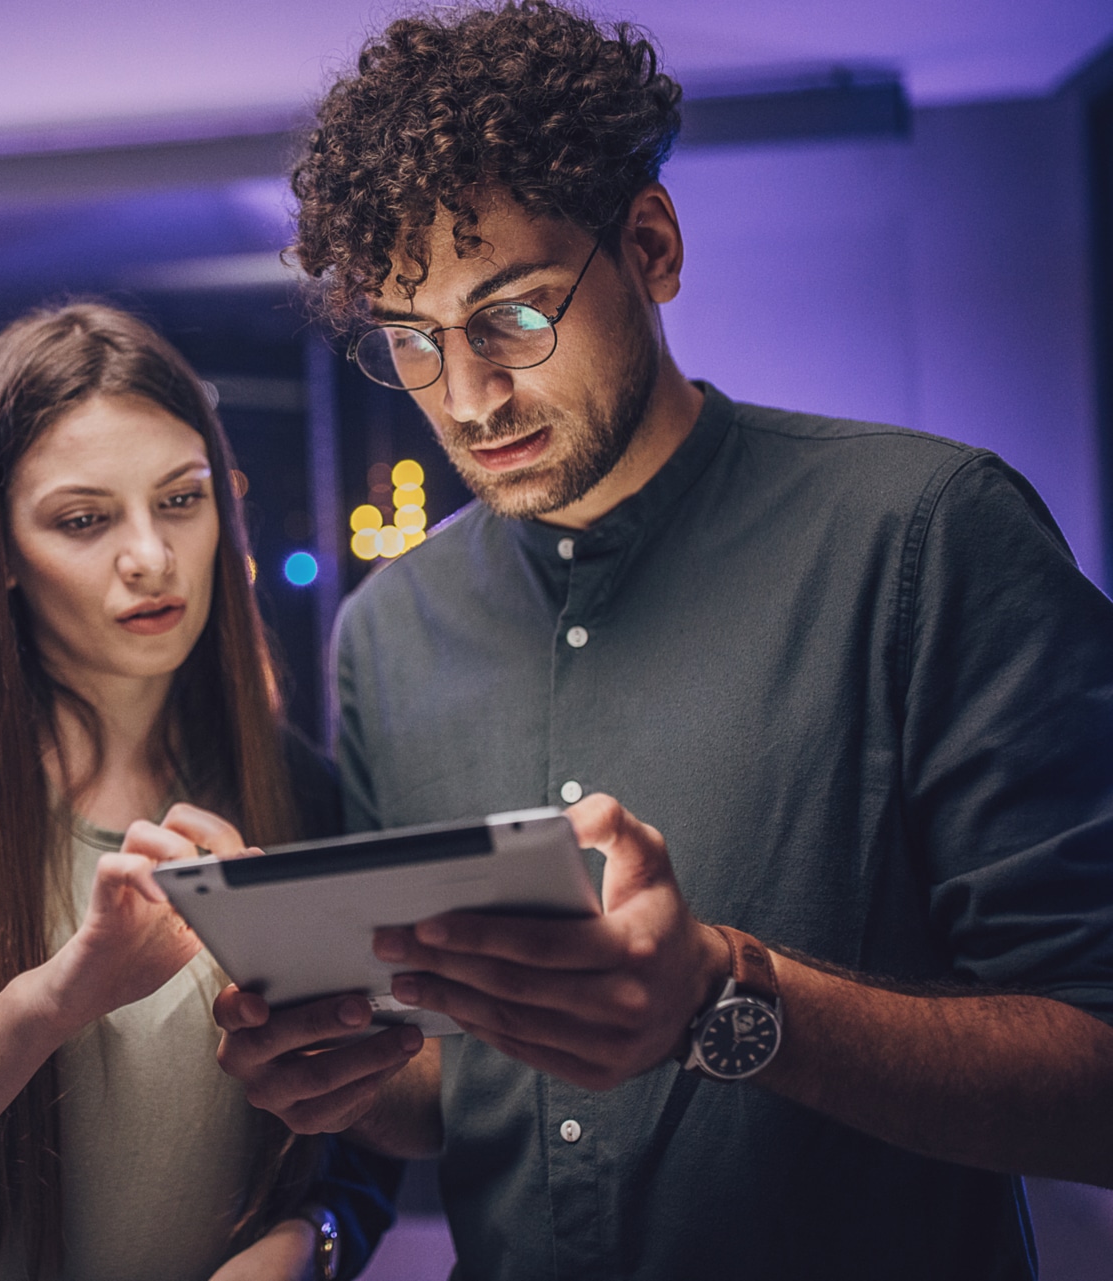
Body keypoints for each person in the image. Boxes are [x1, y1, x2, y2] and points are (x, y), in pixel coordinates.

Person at [206, 4, 1113, 1279]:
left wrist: (724, 997)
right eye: (412, 342)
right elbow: (450, 1086)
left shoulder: (926, 535)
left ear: (651, 244)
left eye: (513, 314)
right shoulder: (387, 634)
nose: (466, 397)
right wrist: (341, 1074)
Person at [0, 303, 400, 1281]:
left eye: (181, 500)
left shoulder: (292, 783)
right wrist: (51, 1001)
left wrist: (304, 1248)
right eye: (85, 521)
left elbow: (365, 1134)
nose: (150, 555)